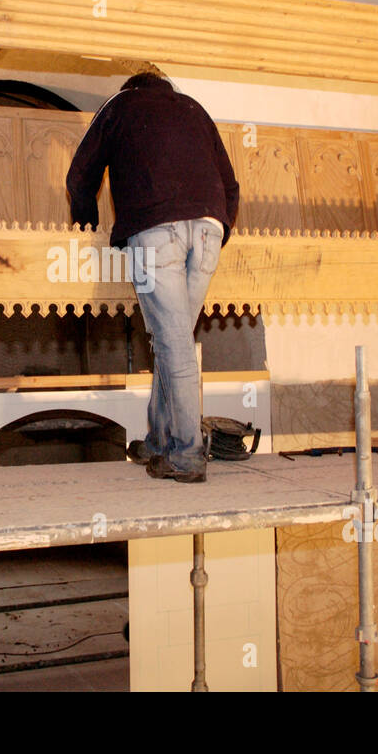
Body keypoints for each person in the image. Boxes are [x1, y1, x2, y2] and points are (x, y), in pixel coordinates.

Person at [67, 71, 239, 482]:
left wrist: (86, 228)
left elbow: (79, 176)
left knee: (173, 341)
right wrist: (218, 229)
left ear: (131, 86)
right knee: (174, 338)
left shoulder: (120, 105)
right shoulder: (195, 108)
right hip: (210, 230)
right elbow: (231, 185)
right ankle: (160, 441)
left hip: (155, 229)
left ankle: (186, 454)